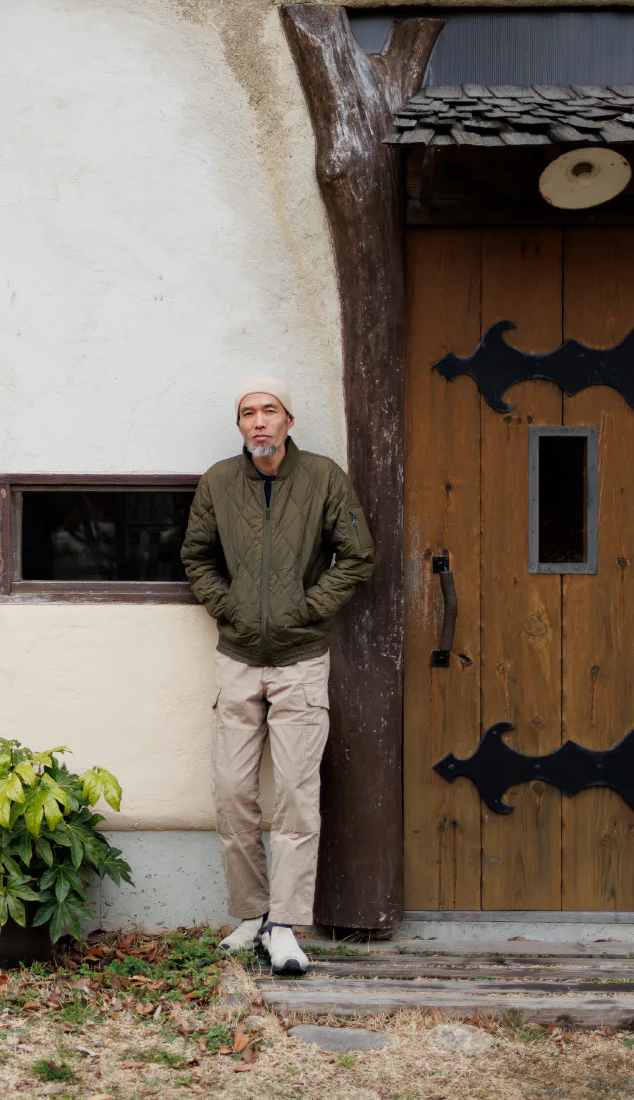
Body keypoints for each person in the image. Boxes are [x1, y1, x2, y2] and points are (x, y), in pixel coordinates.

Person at [180, 376, 373, 976]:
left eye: (269, 411)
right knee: (233, 792)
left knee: (295, 794)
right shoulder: (218, 481)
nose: (258, 422)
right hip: (237, 656)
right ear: (239, 426)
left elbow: (358, 555)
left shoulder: (322, 477)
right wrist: (230, 607)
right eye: (247, 413)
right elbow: (196, 556)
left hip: (302, 660)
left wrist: (308, 608)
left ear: (290, 420)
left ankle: (284, 924)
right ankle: (249, 914)